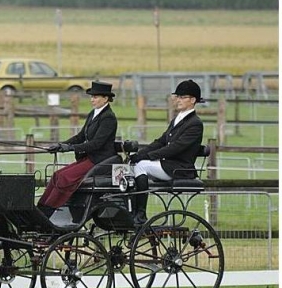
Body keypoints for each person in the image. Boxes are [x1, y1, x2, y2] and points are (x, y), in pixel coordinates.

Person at [37, 81, 118, 218]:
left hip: (100, 159)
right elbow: (81, 136)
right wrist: (61, 145)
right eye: (92, 97)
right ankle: (41, 208)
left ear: (105, 98)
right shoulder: (94, 113)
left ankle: (49, 211)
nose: (92, 100)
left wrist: (70, 148)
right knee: (57, 175)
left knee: (64, 177)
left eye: (96, 97)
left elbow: (96, 144)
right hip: (89, 157)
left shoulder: (108, 118)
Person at [129, 79, 205, 225]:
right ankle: (132, 210)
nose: (178, 100)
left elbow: (175, 147)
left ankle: (140, 214)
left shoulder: (195, 123)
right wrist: (140, 154)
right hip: (168, 165)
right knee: (133, 167)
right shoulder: (177, 119)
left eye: (182, 97)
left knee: (141, 166)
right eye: (178, 97)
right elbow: (161, 141)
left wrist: (147, 156)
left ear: (193, 100)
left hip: (179, 168)